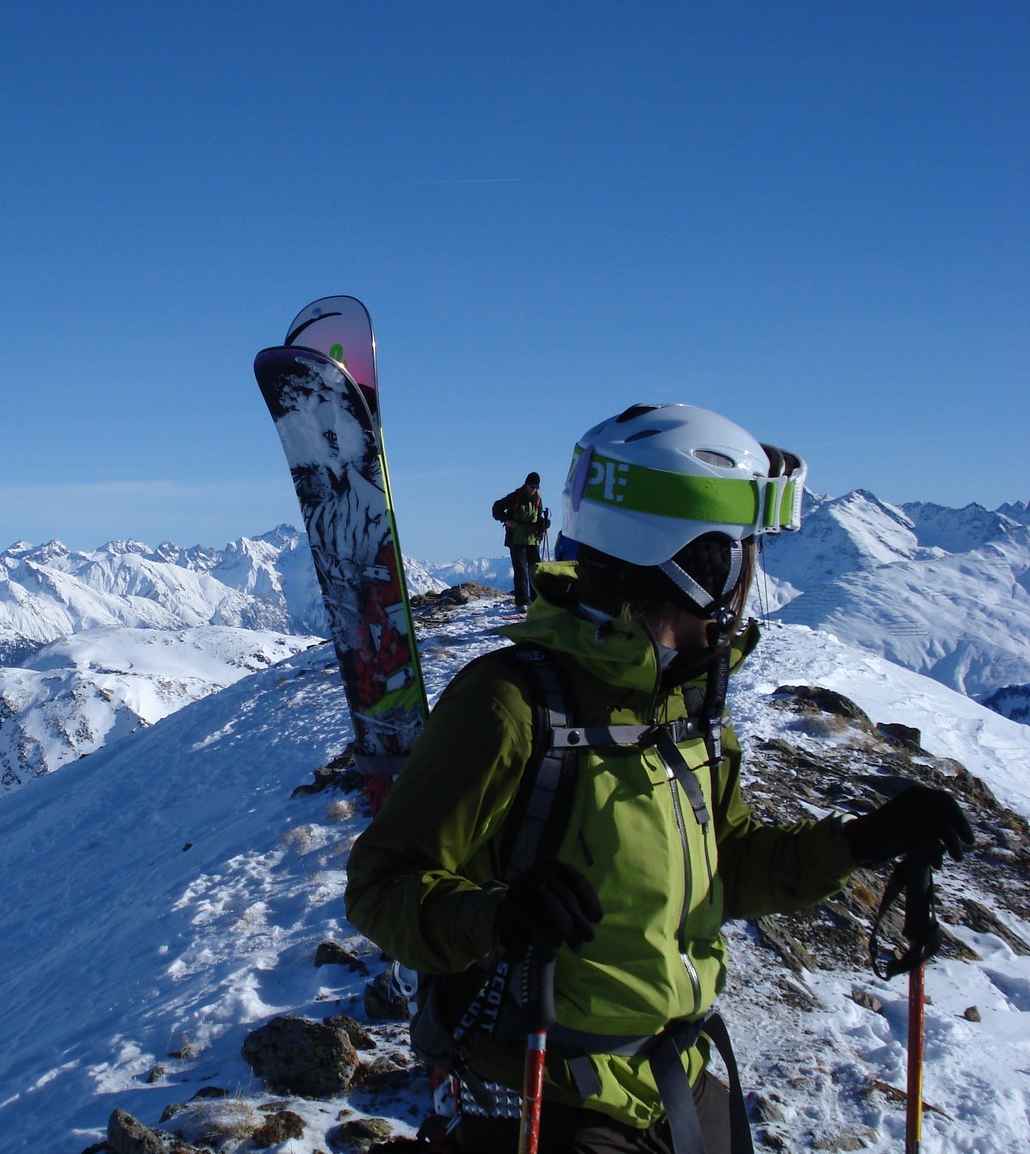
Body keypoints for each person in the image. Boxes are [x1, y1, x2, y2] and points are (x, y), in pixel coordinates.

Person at [347, 403, 974, 1153]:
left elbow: (727, 870)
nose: (747, 585)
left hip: (682, 1078)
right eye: (741, 556)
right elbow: (381, 887)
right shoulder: (510, 705)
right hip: (552, 1098)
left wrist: (860, 843)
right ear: (697, 564)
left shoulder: (688, 708)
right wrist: (498, 917)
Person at [492, 471, 547, 610]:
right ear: (526, 485)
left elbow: (538, 517)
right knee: (521, 572)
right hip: (517, 539)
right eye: (532, 486)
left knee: (535, 572)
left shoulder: (538, 500)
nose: (534, 489)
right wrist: (507, 520)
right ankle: (522, 602)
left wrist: (544, 523)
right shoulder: (515, 497)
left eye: (536, 487)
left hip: (533, 539)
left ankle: (536, 601)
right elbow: (497, 508)